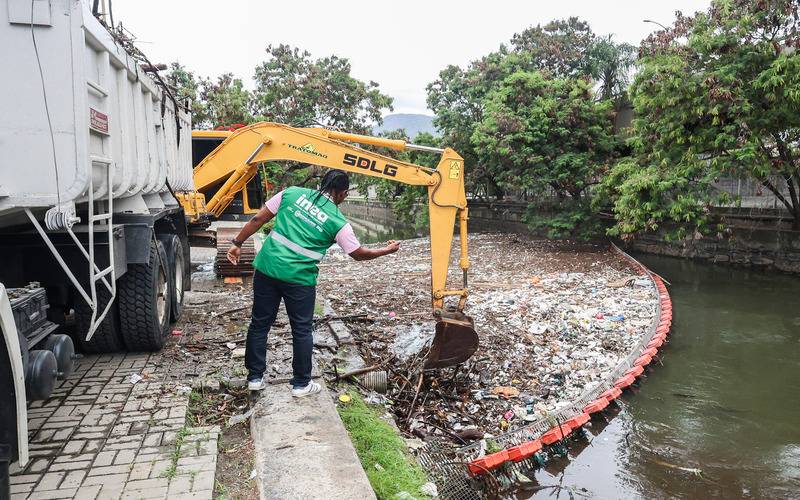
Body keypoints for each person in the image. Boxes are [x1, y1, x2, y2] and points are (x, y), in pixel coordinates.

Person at [226, 170, 400, 397]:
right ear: (341, 193)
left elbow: (258, 219)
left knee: (259, 324)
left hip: (267, 269)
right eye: (345, 195)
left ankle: (255, 378)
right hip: (299, 280)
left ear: (322, 184)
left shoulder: (291, 194)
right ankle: (300, 384)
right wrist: (386, 250)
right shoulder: (339, 222)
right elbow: (358, 253)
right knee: (301, 330)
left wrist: (237, 243)